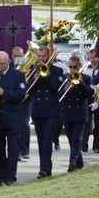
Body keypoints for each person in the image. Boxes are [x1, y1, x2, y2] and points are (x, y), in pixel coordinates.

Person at [0, 51, 27, 186]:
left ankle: (11, 176)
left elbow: (21, 94)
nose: (0, 66)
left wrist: (4, 93)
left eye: (3, 63)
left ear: (8, 62)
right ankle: (2, 175)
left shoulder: (17, 75)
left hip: (12, 118)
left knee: (12, 149)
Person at [27, 45, 64, 178]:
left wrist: (47, 75)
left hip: (51, 110)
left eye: (44, 56)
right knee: (41, 141)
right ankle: (46, 169)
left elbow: (56, 87)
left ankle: (43, 169)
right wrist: (34, 77)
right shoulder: (33, 70)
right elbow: (27, 90)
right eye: (39, 57)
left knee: (48, 139)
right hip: (37, 110)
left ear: (49, 56)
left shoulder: (57, 70)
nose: (41, 59)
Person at [60, 55, 94, 172]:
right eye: (70, 67)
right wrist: (65, 90)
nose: (72, 69)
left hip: (80, 113)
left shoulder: (86, 78)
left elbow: (90, 94)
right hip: (67, 113)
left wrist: (79, 83)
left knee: (77, 140)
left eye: (75, 67)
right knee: (71, 140)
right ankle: (79, 164)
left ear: (79, 66)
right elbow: (58, 97)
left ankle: (72, 163)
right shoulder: (65, 78)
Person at [82, 49, 99, 153]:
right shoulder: (86, 68)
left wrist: (98, 101)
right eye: (90, 58)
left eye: (94, 57)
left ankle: (96, 146)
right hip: (89, 97)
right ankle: (84, 145)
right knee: (86, 122)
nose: (92, 60)